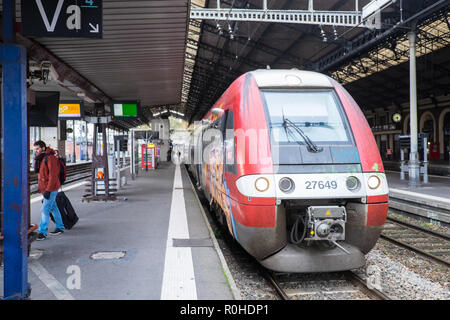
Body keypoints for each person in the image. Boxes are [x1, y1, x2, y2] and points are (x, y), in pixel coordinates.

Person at [33, 140, 65, 240]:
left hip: (51, 188)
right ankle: (60, 227)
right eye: (35, 149)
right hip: (45, 188)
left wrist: (48, 190)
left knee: (45, 209)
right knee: (53, 208)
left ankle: (42, 232)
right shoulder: (42, 158)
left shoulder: (50, 158)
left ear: (43, 148)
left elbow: (53, 176)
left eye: (37, 149)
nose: (36, 151)